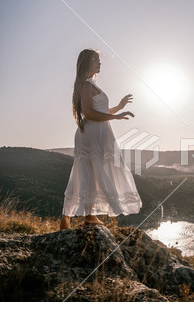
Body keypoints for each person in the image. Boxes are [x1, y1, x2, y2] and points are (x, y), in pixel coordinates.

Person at [60, 49, 142, 230]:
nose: (100, 63)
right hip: (93, 133)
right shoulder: (86, 85)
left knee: (93, 171)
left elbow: (100, 111)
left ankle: (86, 215)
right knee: (89, 171)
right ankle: (72, 216)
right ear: (86, 63)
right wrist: (116, 117)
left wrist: (118, 108)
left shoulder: (89, 84)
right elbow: (89, 113)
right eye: (96, 60)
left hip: (99, 132)